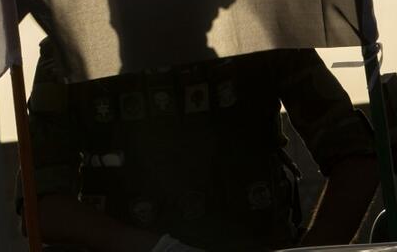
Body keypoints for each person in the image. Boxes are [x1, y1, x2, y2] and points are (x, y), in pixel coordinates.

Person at [19, 37, 379, 251]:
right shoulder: (71, 49)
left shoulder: (261, 31)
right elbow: (43, 207)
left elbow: (356, 158)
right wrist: (153, 249)